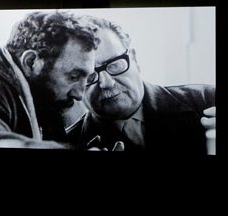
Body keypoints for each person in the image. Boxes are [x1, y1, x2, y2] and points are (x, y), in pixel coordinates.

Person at [0, 11, 98, 148]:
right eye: (74, 76)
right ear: (31, 61)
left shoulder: (41, 98)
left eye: (88, 78)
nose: (80, 94)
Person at [68, 16, 216, 153]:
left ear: (134, 59)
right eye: (88, 75)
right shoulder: (67, 144)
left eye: (114, 65)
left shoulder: (208, 100)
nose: (106, 83)